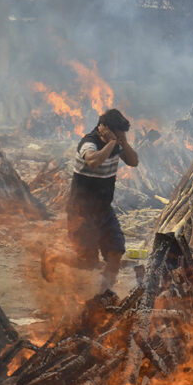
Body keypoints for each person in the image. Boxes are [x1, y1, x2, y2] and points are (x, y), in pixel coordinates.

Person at [66, 109, 139, 290]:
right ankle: (53, 257)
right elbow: (93, 161)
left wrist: (123, 143)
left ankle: (104, 294)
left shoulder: (117, 143)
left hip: (104, 210)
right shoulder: (89, 143)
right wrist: (113, 142)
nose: (122, 135)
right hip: (81, 213)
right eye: (119, 132)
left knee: (116, 252)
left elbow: (134, 161)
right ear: (104, 129)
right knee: (88, 263)